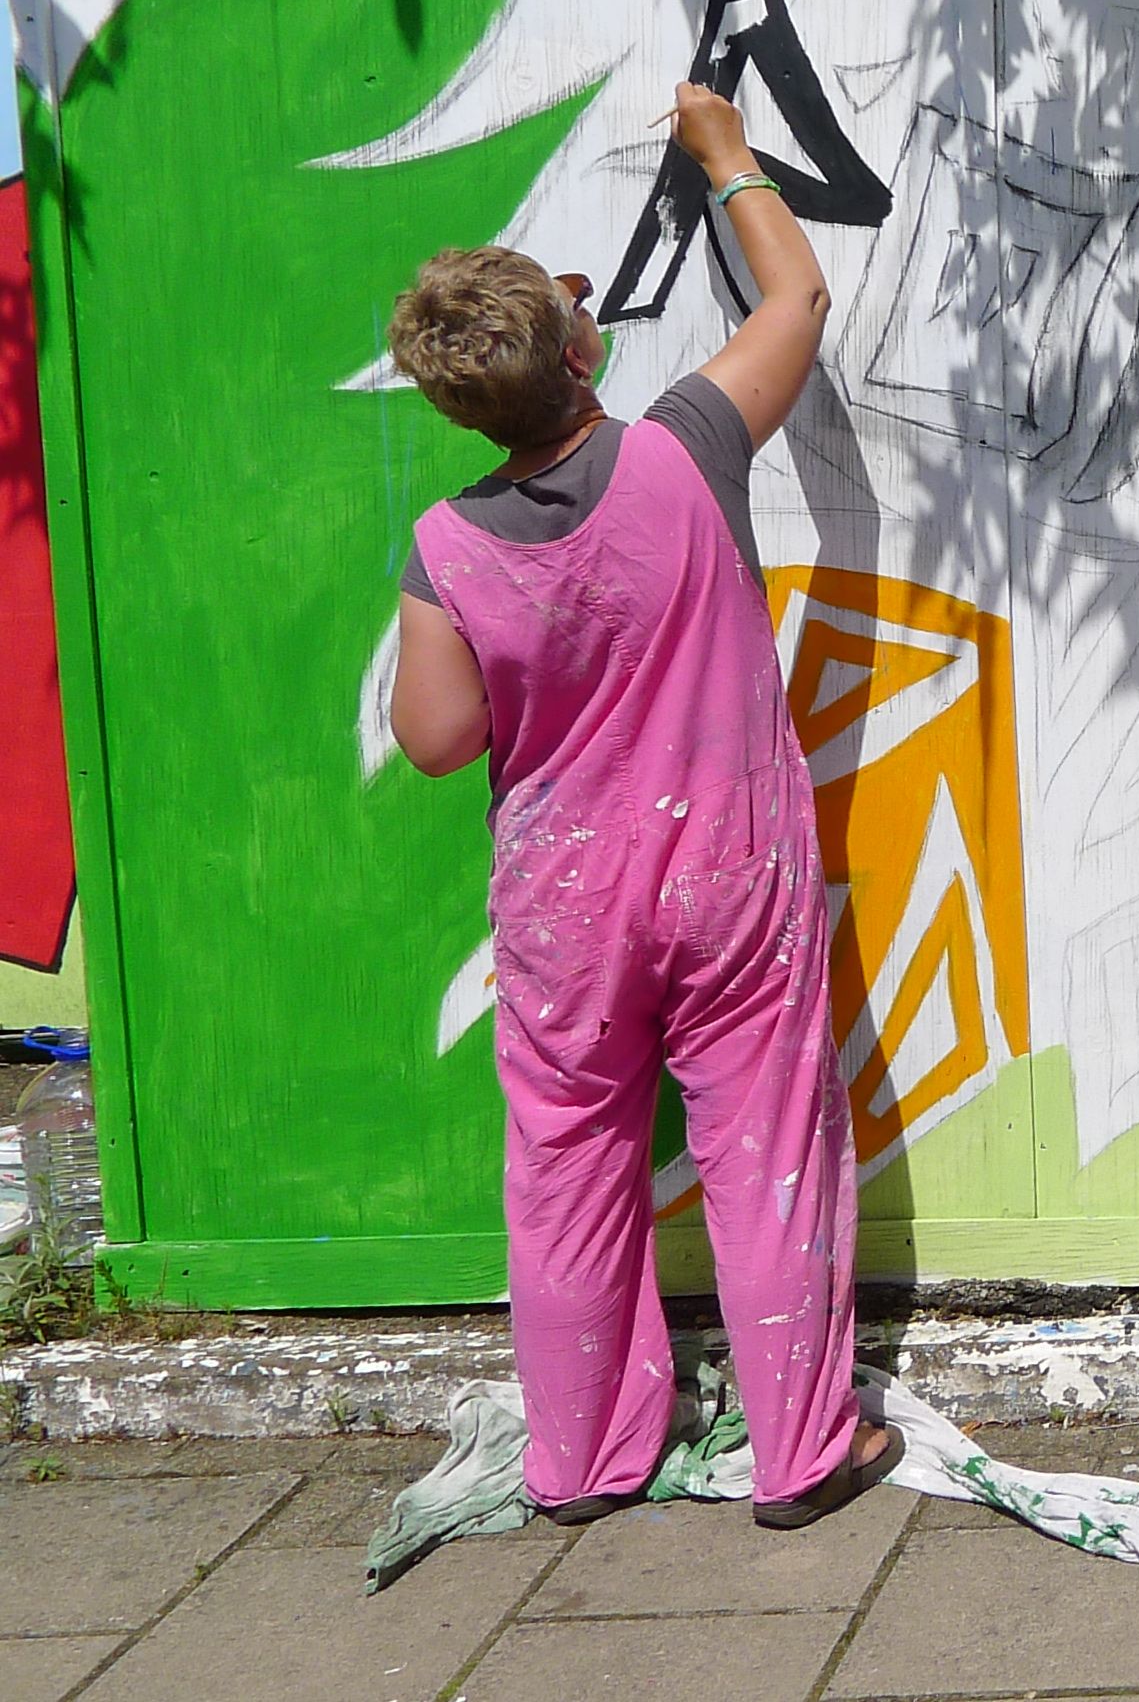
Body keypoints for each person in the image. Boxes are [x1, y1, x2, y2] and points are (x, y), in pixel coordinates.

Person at [385, 84, 900, 1528]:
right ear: (581, 341)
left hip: (564, 905)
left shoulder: (446, 545)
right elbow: (796, 290)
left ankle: (584, 1462)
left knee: (567, 1170)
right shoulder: (683, 444)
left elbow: (435, 740)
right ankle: (805, 1453)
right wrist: (728, 157)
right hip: (726, 873)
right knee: (766, 1146)